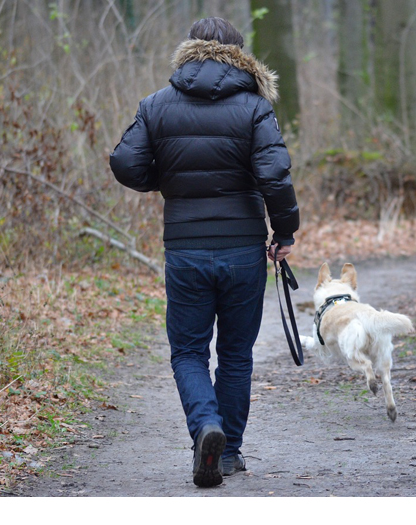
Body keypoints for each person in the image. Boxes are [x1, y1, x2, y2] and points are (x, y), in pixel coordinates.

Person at [110, 17, 299, 488]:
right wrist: (286, 231)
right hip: (242, 250)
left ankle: (204, 428)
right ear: (239, 55)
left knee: (189, 352)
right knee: (236, 354)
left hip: (186, 248)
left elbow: (125, 162)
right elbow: (274, 176)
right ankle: (228, 451)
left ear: (189, 50)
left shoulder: (156, 105)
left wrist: (167, 181)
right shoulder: (255, 107)